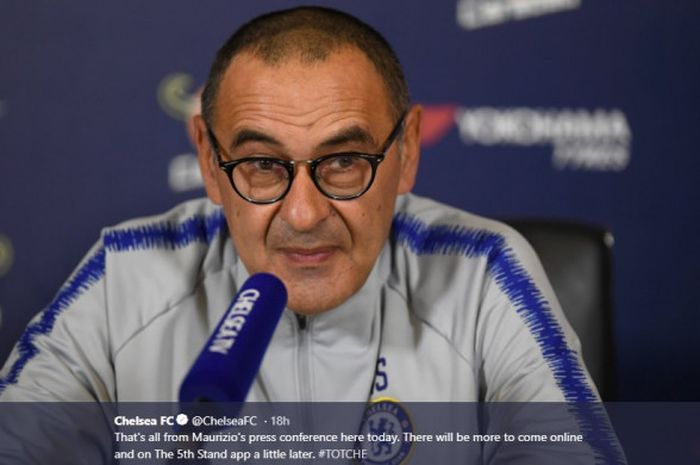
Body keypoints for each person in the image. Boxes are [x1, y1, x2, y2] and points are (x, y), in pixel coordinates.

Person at [1, 6, 596, 406]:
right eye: (262, 166)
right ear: (210, 161)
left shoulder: (483, 274)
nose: (305, 214)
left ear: (407, 151)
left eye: (343, 162)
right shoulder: (124, 278)